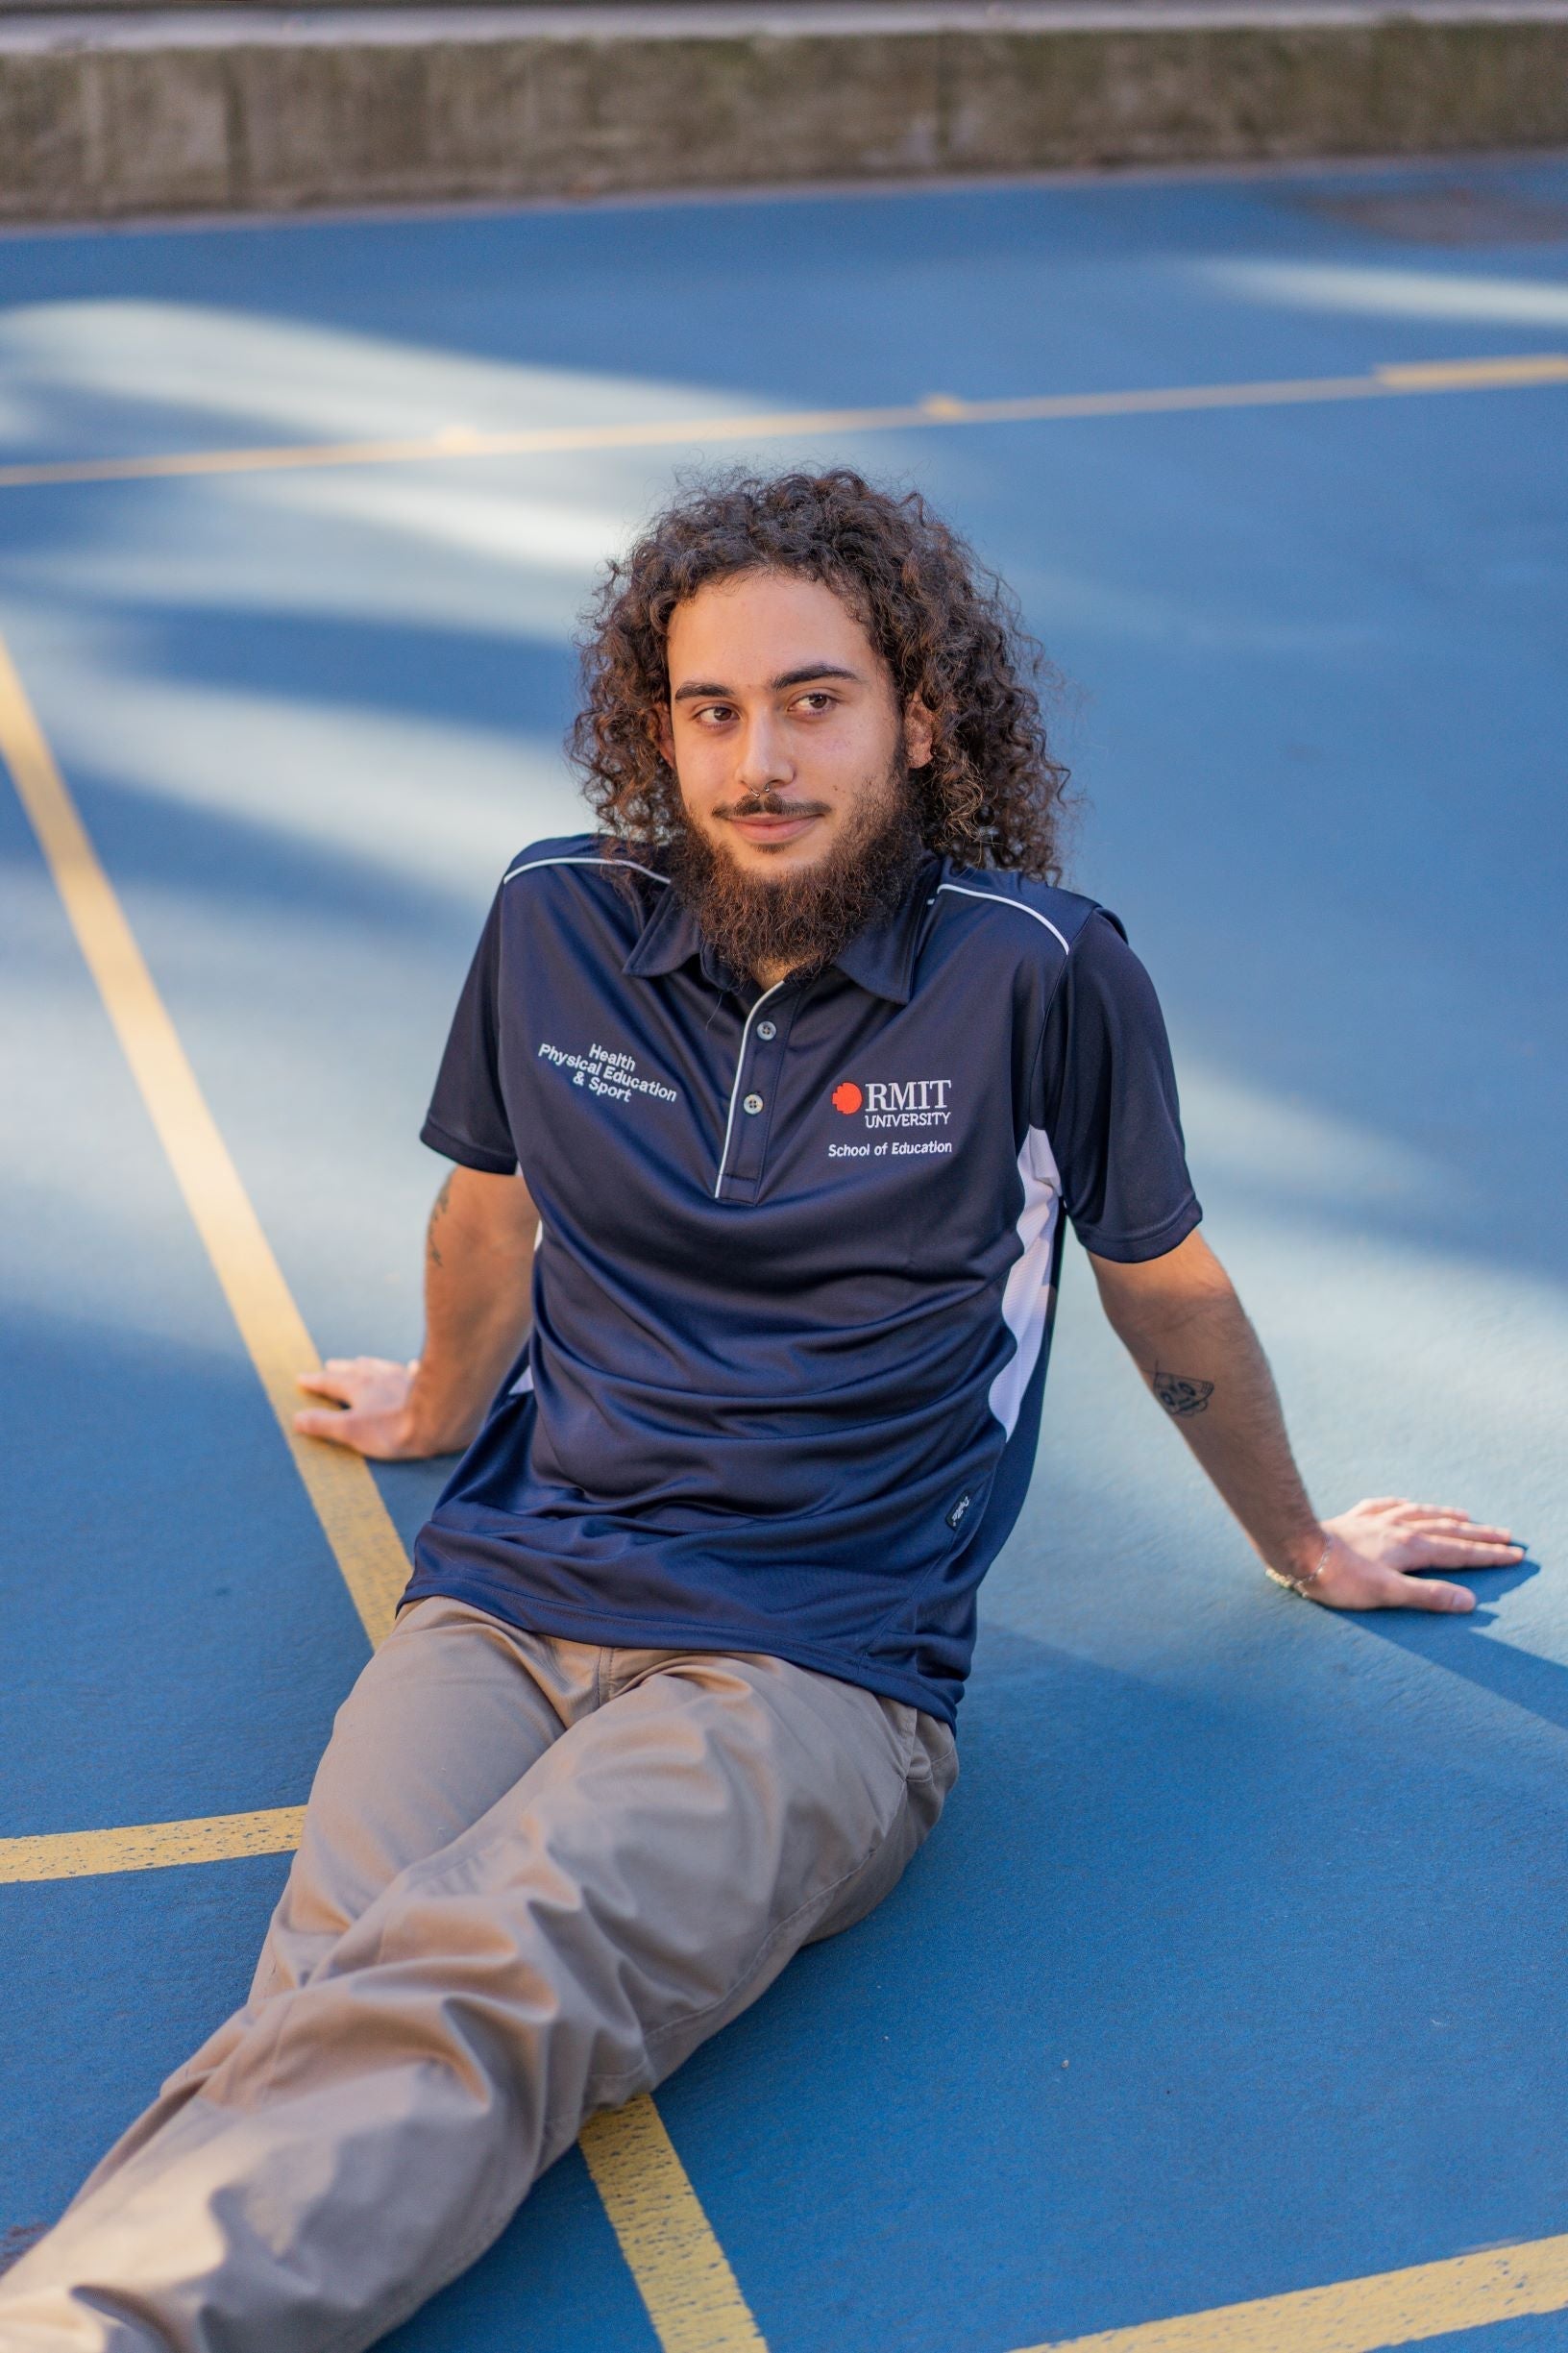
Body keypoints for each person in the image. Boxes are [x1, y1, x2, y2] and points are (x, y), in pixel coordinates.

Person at [0, 470, 1521, 2353]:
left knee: (493, 1966)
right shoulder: (554, 919)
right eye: (713, 710)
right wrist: (439, 1404)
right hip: (513, 1583)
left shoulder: (1040, 972)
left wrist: (1299, 1539)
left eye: (815, 700)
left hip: (813, 1660)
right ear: (660, 732)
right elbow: (491, 1204)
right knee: (327, 1979)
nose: (762, 758)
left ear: (921, 719)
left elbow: (1167, 1283)